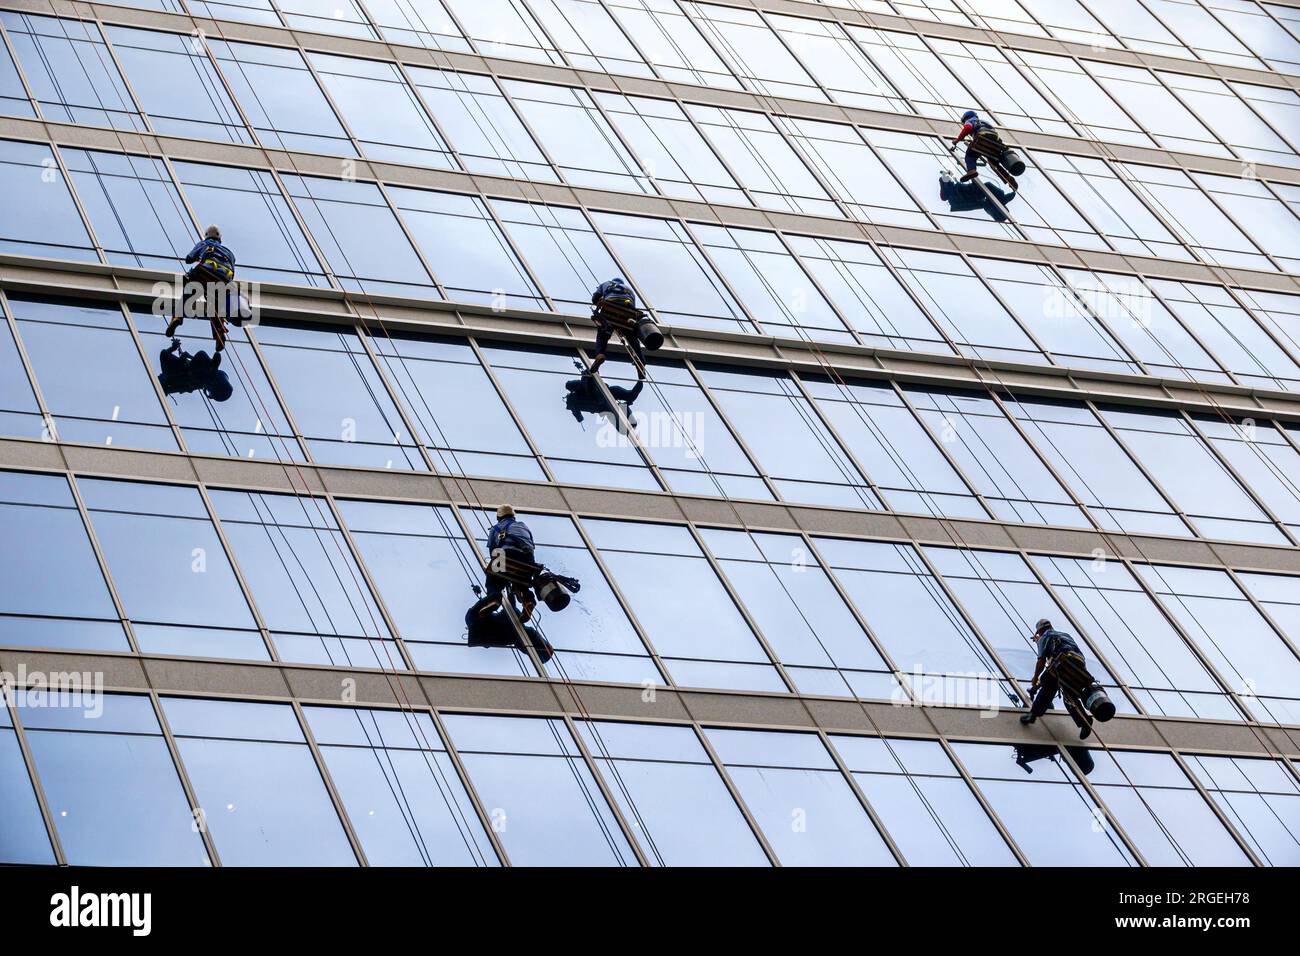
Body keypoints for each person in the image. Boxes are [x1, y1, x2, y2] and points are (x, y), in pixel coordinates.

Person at [1020, 618, 1114, 739]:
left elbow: (1041, 661)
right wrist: (1039, 641)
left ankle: (1033, 714)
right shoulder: (1064, 634)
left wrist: (1035, 678)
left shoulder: (1044, 637)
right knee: (1069, 697)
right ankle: (1084, 722)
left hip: (1062, 662)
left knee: (1047, 681)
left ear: (1040, 631)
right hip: (1078, 663)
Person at [166, 225, 239, 350]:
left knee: (189, 291)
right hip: (223, 279)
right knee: (214, 307)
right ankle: (219, 334)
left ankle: (177, 317)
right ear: (220, 238)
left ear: (207, 235)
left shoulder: (205, 244)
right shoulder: (230, 253)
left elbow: (189, 258)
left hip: (205, 273)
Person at [480, 504, 538, 621]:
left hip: (507, 556)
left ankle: (494, 599)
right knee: (521, 582)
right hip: (528, 560)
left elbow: (492, 549)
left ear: (499, 517)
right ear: (513, 516)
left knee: (493, 580)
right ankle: (529, 601)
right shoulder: (524, 526)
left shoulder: (495, 528)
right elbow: (531, 543)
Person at [589, 277, 646, 377]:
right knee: (632, 338)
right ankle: (640, 362)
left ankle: (600, 354)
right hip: (628, 311)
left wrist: (599, 300)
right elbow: (633, 305)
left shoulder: (606, 283)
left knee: (603, 334)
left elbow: (595, 299)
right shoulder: (629, 289)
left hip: (610, 305)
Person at [951, 110, 1018, 192]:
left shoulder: (970, 120)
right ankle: (1008, 178)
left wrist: (957, 140)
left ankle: (971, 170)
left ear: (966, 117)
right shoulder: (985, 122)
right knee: (994, 163)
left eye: (964, 120)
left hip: (982, 137)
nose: (964, 122)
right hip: (995, 142)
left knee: (970, 155)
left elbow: (967, 128)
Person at [157, 338, 233, 402]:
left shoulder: (197, 381)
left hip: (185, 373)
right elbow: (164, 355)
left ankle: (210, 369)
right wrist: (177, 351)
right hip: (184, 372)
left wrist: (182, 356)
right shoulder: (200, 379)